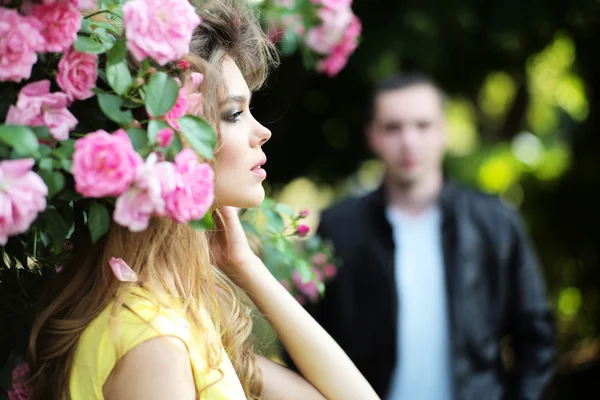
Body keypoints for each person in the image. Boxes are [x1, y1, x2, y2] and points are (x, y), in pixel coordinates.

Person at [23, 1, 380, 399]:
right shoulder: (152, 342)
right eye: (233, 114)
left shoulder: (181, 321)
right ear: (168, 139)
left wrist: (245, 265)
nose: (262, 131)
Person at [291, 74, 556, 400]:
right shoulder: (339, 229)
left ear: (443, 131)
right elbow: (303, 338)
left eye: (422, 125)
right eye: (393, 127)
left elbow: (536, 336)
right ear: (372, 136)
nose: (409, 141)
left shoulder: (496, 223)